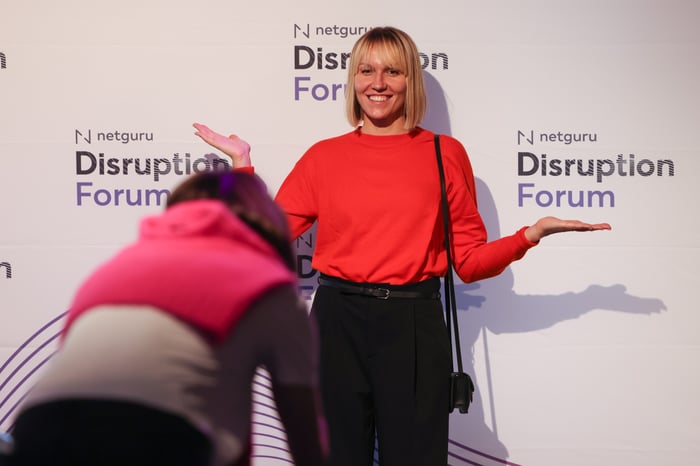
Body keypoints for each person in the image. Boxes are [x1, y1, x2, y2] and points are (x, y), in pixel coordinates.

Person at [193, 26, 611, 466]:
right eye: (367, 70)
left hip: (413, 324)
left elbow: (468, 263)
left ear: (411, 80)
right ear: (353, 79)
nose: (378, 83)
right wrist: (242, 166)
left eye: (393, 71)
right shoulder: (324, 157)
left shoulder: (443, 153)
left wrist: (531, 235)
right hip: (337, 323)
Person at [5, 171, 327, 466]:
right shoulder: (269, 284)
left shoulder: (119, 266)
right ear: (268, 220)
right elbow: (304, 437)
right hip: (159, 436)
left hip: (39, 428)